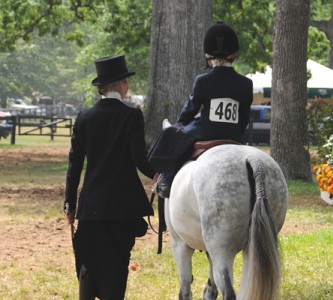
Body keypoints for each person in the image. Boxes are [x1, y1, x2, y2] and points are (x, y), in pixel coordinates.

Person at [64, 54, 155, 300]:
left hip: (91, 206)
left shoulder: (84, 118)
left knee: (89, 263)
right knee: (116, 265)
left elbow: (74, 167)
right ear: (122, 85)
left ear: (101, 88)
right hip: (121, 208)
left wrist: (70, 204)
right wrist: (158, 173)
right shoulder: (131, 116)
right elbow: (139, 159)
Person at [148, 22, 253, 198]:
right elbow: (244, 116)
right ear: (233, 55)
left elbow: (190, 109)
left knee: (172, 133)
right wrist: (235, 133)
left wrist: (180, 123)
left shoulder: (202, 80)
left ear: (207, 55)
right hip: (233, 133)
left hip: (206, 132)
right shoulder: (245, 83)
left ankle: (166, 181)